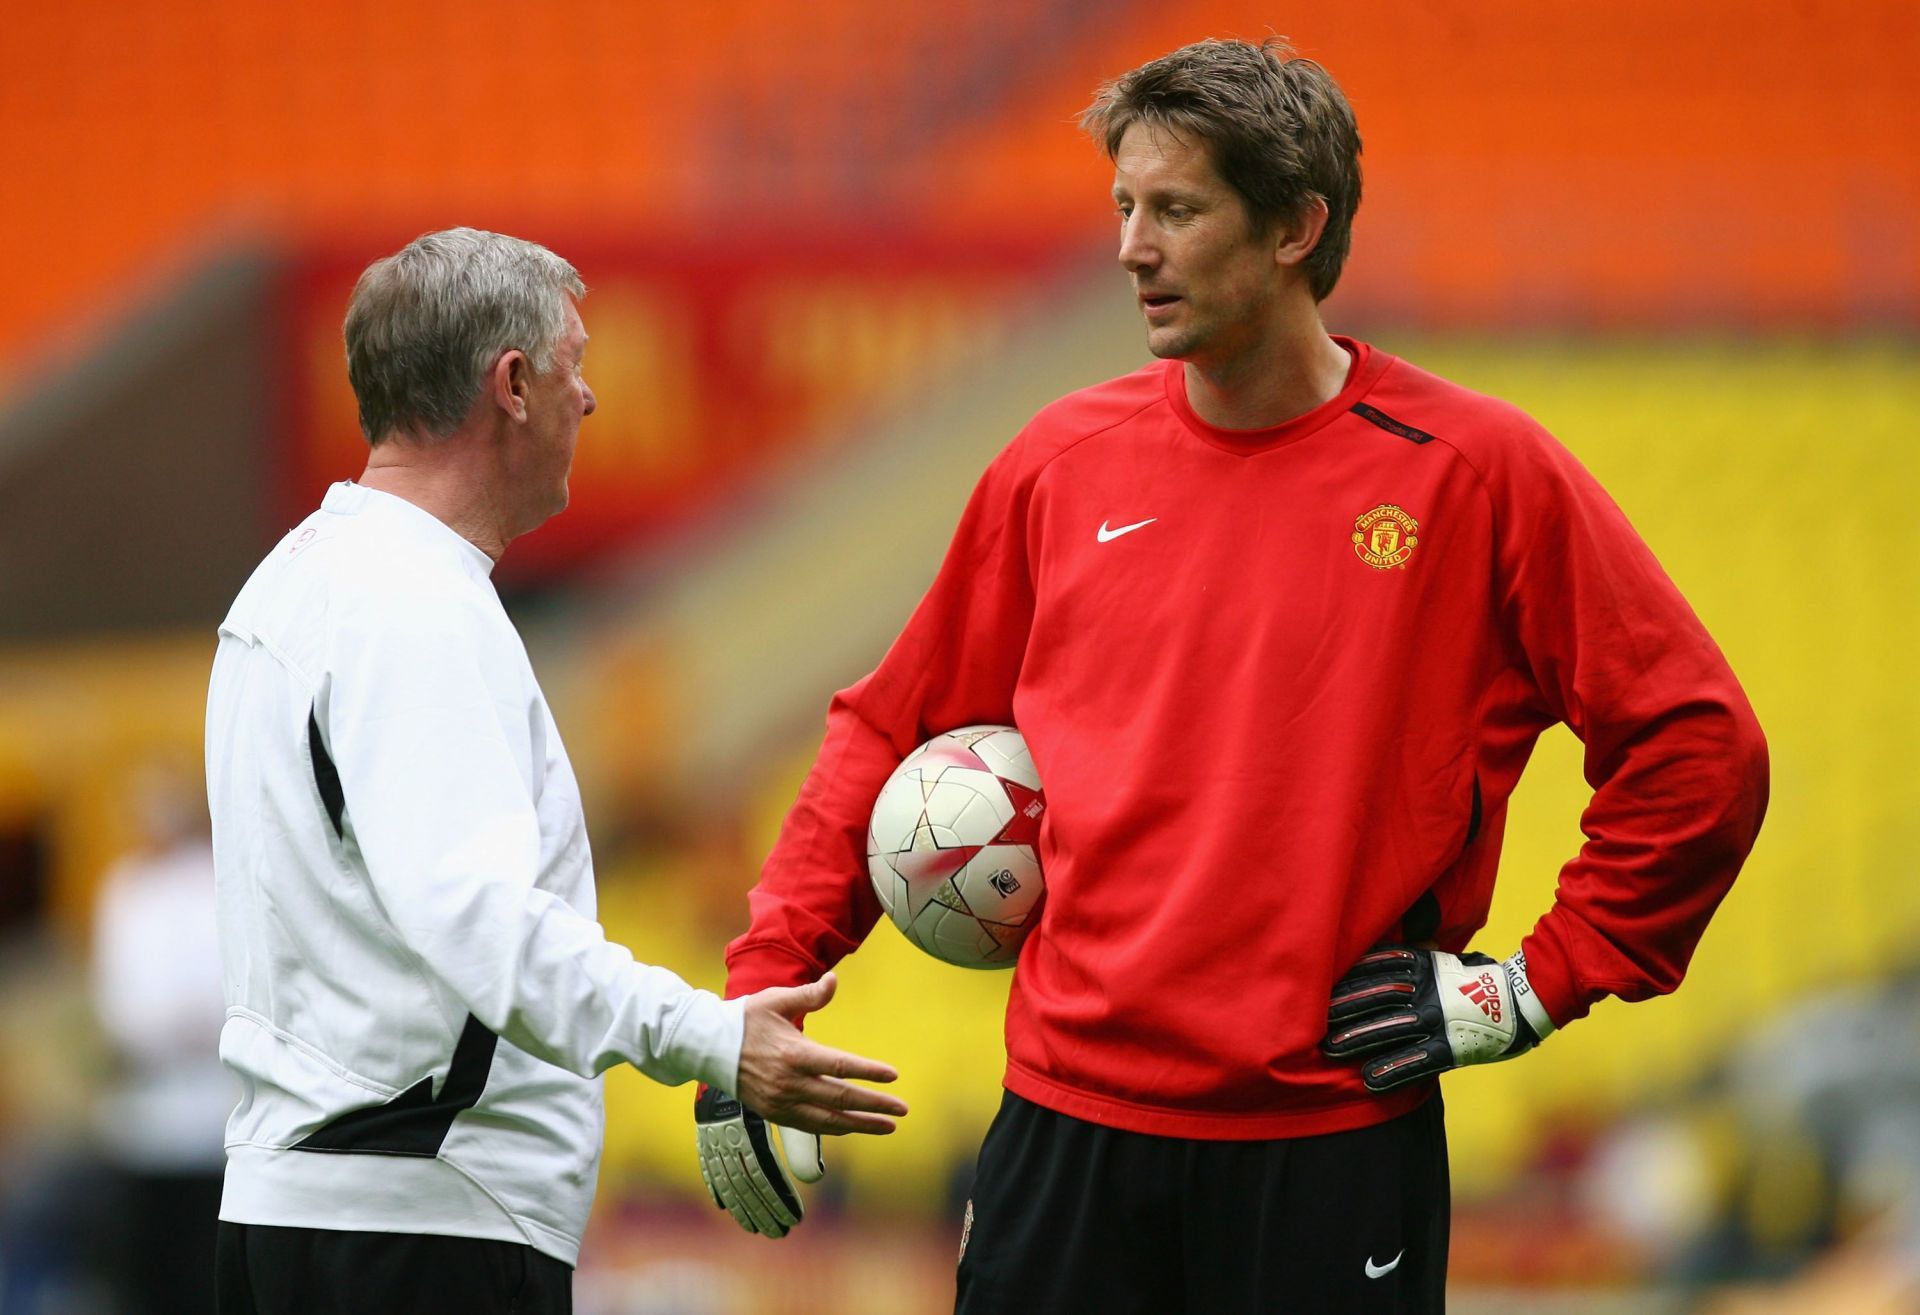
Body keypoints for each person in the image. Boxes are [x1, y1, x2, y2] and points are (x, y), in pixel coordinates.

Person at [694, 38, 1769, 1313]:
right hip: (1066, 1130)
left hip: (1328, 1149)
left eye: (1176, 210)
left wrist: (1535, 983)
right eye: (1124, 208)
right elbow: (889, 728)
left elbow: (1701, 747)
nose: (1132, 247)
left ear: (1295, 228)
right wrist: (755, 1002)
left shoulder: (1474, 473)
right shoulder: (1058, 463)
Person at [205, 228, 906, 1315]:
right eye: (577, 363)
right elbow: (485, 925)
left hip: (302, 1209)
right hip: (421, 1228)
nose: (593, 400)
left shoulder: (293, 583)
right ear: (514, 384)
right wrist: (714, 1039)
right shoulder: (415, 606)